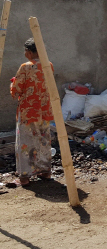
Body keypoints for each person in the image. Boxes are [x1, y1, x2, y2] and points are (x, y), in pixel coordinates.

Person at [9, 38, 54, 187]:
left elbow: (15, 92)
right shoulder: (49, 66)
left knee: (25, 143)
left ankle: (25, 176)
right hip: (45, 110)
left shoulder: (25, 67)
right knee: (44, 140)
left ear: (28, 52)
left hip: (28, 112)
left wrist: (12, 83)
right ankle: (45, 171)